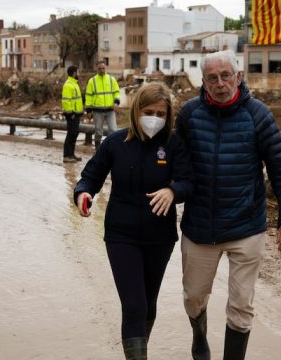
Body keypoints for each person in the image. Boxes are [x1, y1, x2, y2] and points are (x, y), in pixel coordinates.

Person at [175, 50, 281, 360]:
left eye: (226, 76)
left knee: (241, 305)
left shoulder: (258, 115)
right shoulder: (189, 115)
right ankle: (199, 336)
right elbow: (174, 164)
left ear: (239, 76)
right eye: (212, 78)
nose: (220, 83)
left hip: (246, 226)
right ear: (203, 82)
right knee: (193, 297)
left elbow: (280, 169)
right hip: (200, 227)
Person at [73, 82, 193, 360]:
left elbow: (189, 182)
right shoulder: (115, 144)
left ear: (169, 116)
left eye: (161, 114)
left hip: (160, 237)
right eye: (149, 111)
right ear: (136, 110)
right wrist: (82, 194)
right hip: (121, 235)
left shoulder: (174, 145)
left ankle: (140, 351)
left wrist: (173, 190)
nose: (154, 118)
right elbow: (90, 176)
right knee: (134, 304)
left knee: (148, 303)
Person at [85, 60, 121, 148]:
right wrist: (89, 111)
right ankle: (97, 149)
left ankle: (110, 148)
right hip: (98, 111)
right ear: (97, 69)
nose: (102, 70)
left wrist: (116, 103)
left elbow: (116, 92)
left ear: (106, 68)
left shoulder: (111, 79)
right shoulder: (92, 81)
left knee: (113, 130)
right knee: (98, 132)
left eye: (103, 68)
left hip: (110, 110)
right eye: (100, 68)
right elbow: (88, 96)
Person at [61, 65, 83, 162]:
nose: (79, 74)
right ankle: (67, 156)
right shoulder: (68, 85)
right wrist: (70, 114)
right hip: (72, 115)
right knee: (71, 134)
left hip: (76, 114)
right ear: (74, 73)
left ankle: (71, 154)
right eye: (78, 72)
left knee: (74, 134)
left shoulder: (74, 84)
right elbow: (66, 101)